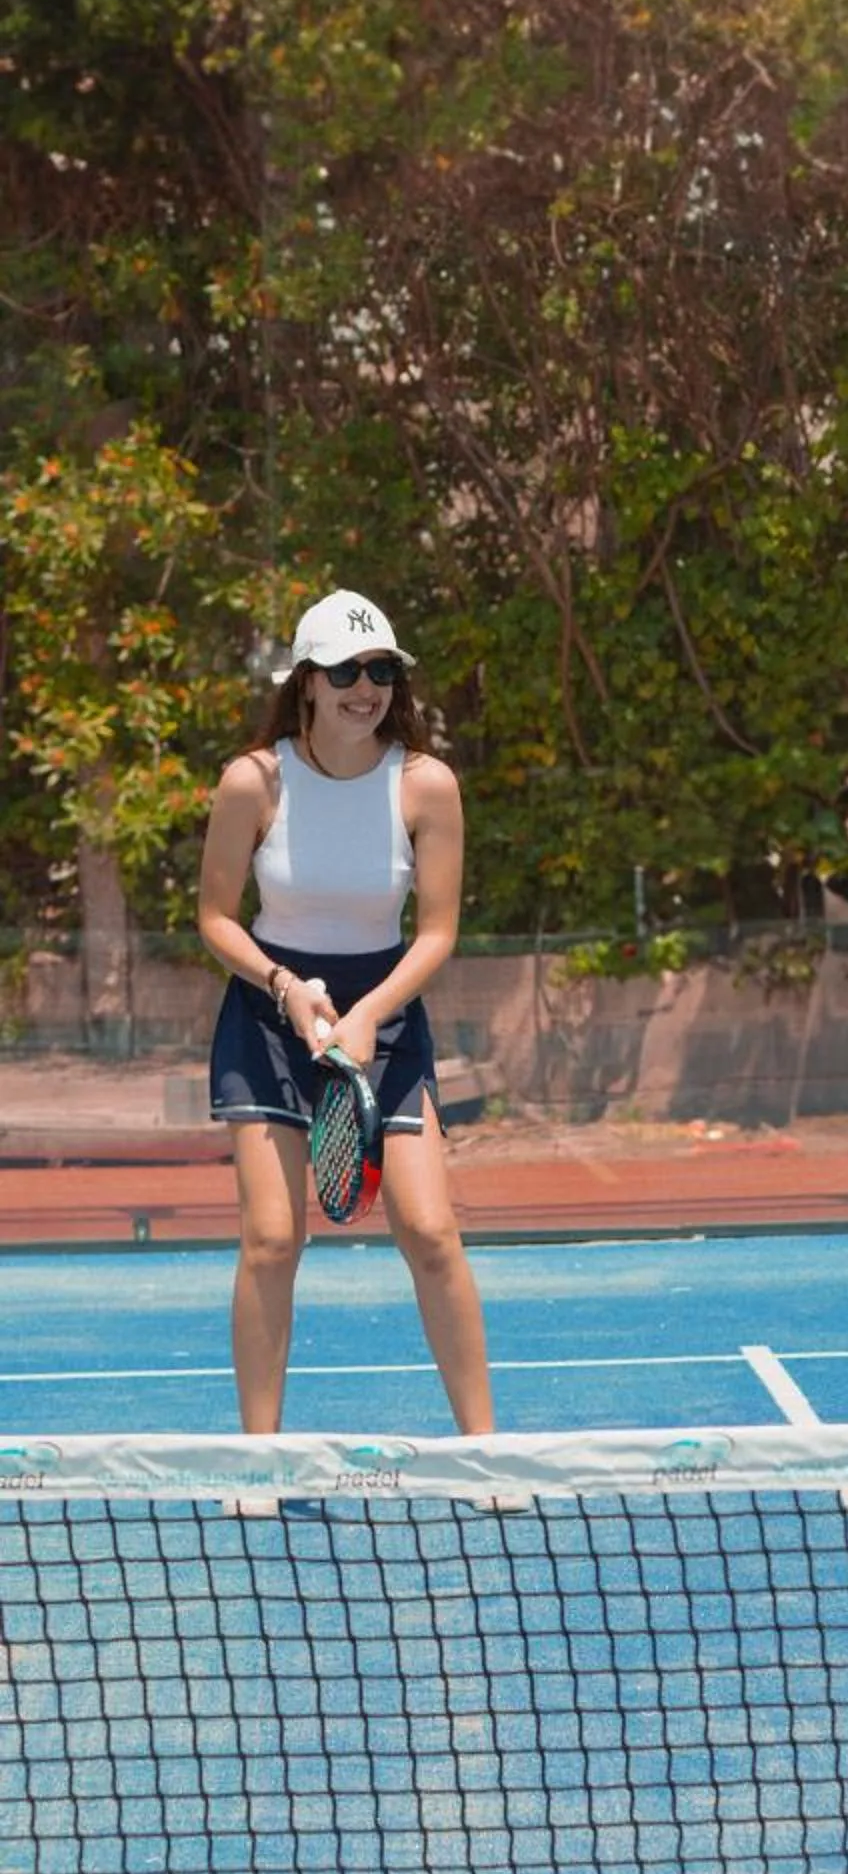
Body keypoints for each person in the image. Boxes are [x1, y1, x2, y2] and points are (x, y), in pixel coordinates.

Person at [199, 587, 512, 1499]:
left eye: (381, 670)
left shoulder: (427, 785)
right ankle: (258, 1466)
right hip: (268, 1016)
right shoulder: (252, 781)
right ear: (306, 683)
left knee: (429, 1230)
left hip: (387, 1012)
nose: (365, 687)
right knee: (269, 1239)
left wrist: (370, 1013)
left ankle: (485, 1454)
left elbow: (439, 933)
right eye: (345, 671)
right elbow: (216, 917)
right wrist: (289, 991)